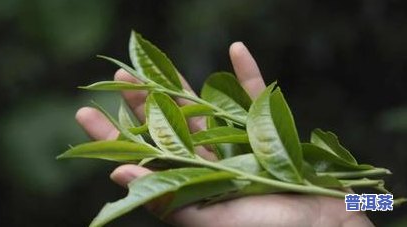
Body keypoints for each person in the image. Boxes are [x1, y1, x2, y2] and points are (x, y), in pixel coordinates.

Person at [75, 42, 374, 226]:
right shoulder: (350, 200)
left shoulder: (348, 200)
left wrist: (351, 215)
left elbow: (345, 204)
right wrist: (363, 209)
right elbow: (346, 203)